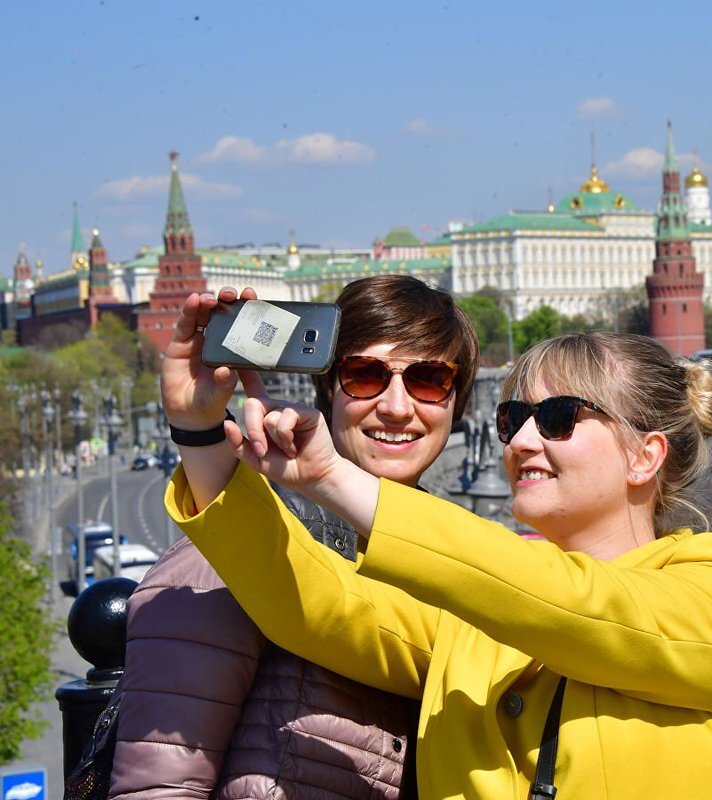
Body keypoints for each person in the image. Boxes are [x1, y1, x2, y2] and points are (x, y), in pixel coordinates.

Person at [163, 290, 712, 798]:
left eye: (559, 418)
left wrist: (333, 477)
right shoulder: (473, 608)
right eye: (513, 420)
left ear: (645, 456)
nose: (520, 443)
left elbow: (578, 606)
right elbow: (317, 603)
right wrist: (198, 431)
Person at [109, 275, 478, 800]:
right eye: (364, 375)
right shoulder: (241, 538)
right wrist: (198, 429)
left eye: (428, 379)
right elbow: (158, 784)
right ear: (327, 387)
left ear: (456, 402)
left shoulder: (463, 555)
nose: (397, 407)